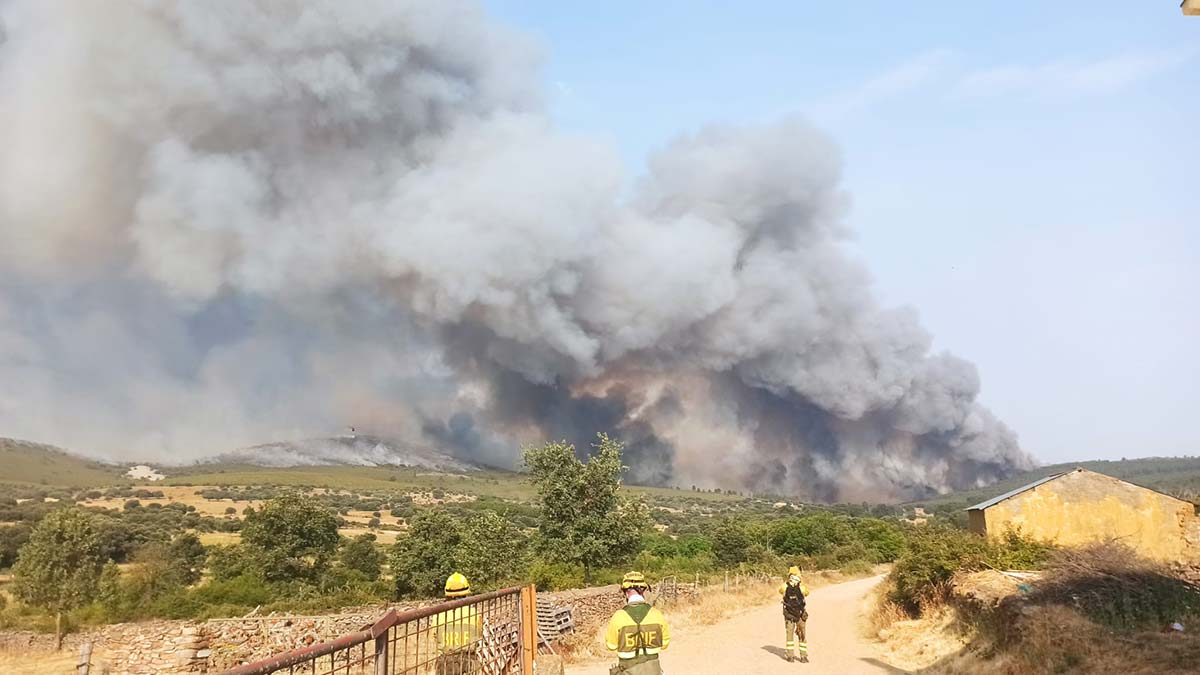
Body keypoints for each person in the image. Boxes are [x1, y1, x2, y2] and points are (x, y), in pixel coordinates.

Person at [604, 571, 671, 675]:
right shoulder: (657, 614)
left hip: (627, 671)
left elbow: (611, 646)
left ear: (626, 593)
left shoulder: (618, 617)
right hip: (654, 670)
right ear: (643, 590)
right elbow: (665, 644)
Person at [431, 572, 482, 675]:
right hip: (469, 661)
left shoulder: (439, 615)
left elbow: (435, 637)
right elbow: (478, 635)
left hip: (446, 664)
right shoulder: (474, 613)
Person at [777, 565, 810, 663]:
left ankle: (790, 656)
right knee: (802, 634)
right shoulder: (802, 587)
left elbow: (780, 591)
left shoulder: (785, 586)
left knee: (789, 635)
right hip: (800, 614)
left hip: (789, 614)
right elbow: (807, 593)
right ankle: (803, 656)